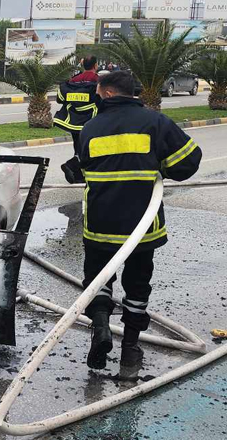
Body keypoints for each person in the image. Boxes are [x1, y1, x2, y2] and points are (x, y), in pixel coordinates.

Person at [77, 70, 202, 380]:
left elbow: (84, 166)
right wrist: (158, 164)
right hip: (141, 227)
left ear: (106, 93)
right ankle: (130, 348)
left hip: (100, 223)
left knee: (98, 280)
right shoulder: (156, 122)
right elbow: (188, 162)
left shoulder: (90, 128)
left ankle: (101, 328)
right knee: (137, 285)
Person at [56, 55, 101, 183]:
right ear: (96, 65)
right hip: (90, 121)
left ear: (83, 65)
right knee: (89, 148)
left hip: (72, 121)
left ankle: (78, 175)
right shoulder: (99, 81)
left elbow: (60, 99)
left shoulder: (73, 80)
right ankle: (73, 164)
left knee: (78, 145)